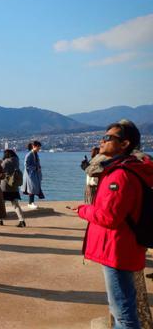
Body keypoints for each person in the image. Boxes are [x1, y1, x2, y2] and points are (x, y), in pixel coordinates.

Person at [73, 120, 153, 328]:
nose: (102, 140)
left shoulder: (120, 174)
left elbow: (110, 217)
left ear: (125, 144)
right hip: (123, 247)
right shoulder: (127, 170)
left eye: (108, 137)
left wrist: (83, 210)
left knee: (123, 314)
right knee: (122, 309)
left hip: (117, 250)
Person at [0, 149, 26, 227]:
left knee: (1, 204)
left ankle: (0, 220)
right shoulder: (16, 161)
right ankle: (22, 220)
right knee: (15, 204)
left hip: (5, 187)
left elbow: (0, 170)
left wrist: (0, 162)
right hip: (14, 187)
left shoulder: (6, 162)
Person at [21, 140, 45, 209]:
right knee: (31, 188)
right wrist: (36, 168)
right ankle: (30, 203)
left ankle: (31, 202)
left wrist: (38, 168)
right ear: (34, 146)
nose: (39, 149)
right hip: (30, 175)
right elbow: (26, 165)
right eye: (38, 147)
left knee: (33, 188)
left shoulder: (35, 154)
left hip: (34, 174)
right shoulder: (29, 154)